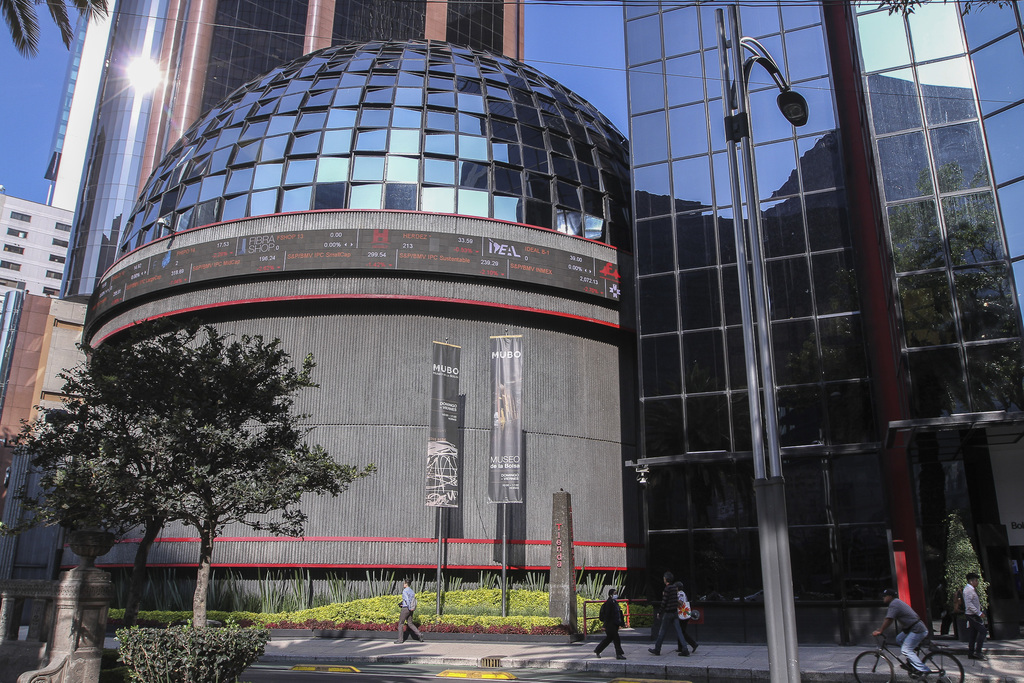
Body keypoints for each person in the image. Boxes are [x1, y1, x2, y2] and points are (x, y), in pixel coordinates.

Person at [872, 588, 928, 675]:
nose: (883, 598)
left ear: (890, 597)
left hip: (917, 629)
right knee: (899, 639)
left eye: (885, 596)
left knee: (906, 650)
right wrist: (881, 629)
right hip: (912, 628)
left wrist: (881, 630)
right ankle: (911, 661)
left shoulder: (894, 604)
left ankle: (924, 670)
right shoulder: (896, 602)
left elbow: (889, 619)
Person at [648, 571, 689, 656]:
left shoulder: (667, 589)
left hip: (668, 612)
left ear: (666, 579)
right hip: (675, 612)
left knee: (662, 632)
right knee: (679, 631)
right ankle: (685, 648)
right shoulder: (674, 588)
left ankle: (657, 649)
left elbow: (664, 602)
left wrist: (659, 612)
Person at [594, 588, 626, 660]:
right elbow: (607, 615)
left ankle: (598, 650)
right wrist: (605, 625)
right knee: (616, 639)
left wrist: (621, 623)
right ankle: (619, 654)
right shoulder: (609, 603)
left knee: (609, 639)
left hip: (614, 624)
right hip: (610, 625)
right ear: (611, 595)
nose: (616, 595)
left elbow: (619, 613)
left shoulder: (614, 602)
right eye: (615, 593)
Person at [963, 572, 987, 660]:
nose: (977, 582)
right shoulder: (968, 590)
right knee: (983, 631)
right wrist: (979, 613)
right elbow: (969, 604)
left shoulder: (971, 589)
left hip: (973, 614)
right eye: (976, 580)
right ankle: (978, 652)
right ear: (971, 581)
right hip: (972, 615)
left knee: (973, 634)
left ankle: (971, 652)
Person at [395, 579, 424, 643]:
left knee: (401, 623)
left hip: (406, 608)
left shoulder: (405, 591)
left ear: (406, 584)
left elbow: (407, 600)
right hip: (411, 609)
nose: (403, 584)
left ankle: (400, 639)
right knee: (410, 623)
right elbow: (412, 600)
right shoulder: (411, 591)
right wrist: (411, 608)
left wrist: (408, 607)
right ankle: (419, 634)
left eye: (404, 583)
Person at [677, 582, 699, 655]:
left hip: (683, 613)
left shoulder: (680, 593)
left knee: (682, 631)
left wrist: (674, 598)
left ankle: (693, 644)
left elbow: (681, 603)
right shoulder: (682, 593)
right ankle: (680, 647)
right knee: (680, 630)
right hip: (683, 613)